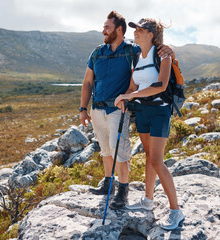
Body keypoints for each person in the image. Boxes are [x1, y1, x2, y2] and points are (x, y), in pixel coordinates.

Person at [79, 11, 175, 210]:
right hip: (100, 109)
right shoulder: (98, 52)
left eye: (107, 27)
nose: (103, 30)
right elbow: (88, 81)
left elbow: (155, 55)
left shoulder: (132, 50)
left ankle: (124, 190)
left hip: (121, 110)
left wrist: (169, 50)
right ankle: (109, 184)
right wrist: (83, 108)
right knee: (105, 149)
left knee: (120, 152)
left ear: (119, 30)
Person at [114, 18, 185, 230]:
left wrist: (132, 94)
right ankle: (148, 200)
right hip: (142, 112)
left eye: (141, 30)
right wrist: (124, 98)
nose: (135, 32)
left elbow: (161, 85)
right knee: (148, 156)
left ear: (151, 35)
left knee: (156, 160)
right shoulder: (137, 58)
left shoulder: (162, 54)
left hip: (160, 112)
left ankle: (176, 211)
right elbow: (132, 85)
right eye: (135, 29)